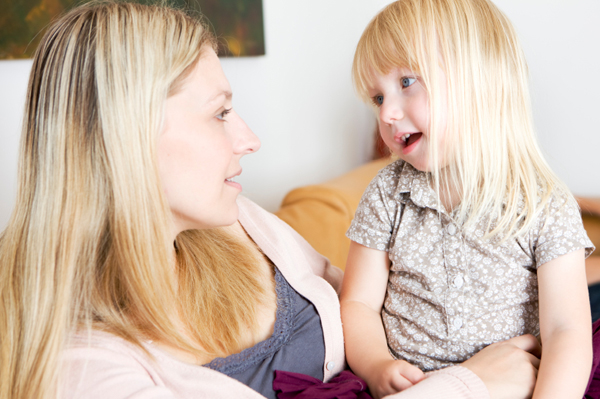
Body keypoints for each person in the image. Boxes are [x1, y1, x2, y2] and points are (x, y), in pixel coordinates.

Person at [0, 2, 540, 399]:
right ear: (124, 135)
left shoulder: (234, 218)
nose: (249, 139)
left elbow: (366, 298)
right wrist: (472, 383)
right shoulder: (77, 367)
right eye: (219, 113)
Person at [340, 0, 595, 398]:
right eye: (377, 98)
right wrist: (376, 365)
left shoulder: (545, 202)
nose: (387, 113)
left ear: (479, 80)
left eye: (406, 82)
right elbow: (356, 303)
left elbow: (566, 330)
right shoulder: (387, 194)